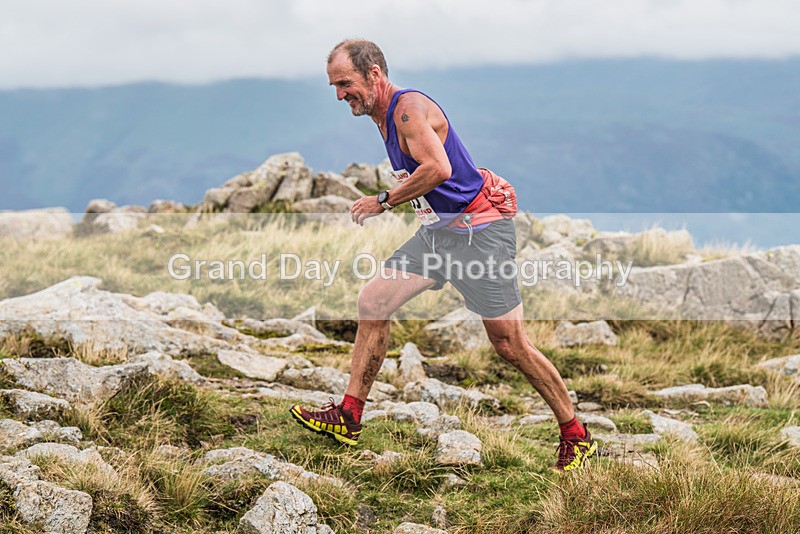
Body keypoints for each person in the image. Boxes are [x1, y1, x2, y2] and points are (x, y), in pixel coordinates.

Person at [290, 39, 596, 472]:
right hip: (438, 236)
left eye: (345, 84)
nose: (340, 95)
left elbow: (439, 169)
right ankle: (349, 415)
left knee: (509, 344)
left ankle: (576, 435)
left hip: (480, 235)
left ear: (374, 74)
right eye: (334, 87)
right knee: (373, 302)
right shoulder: (383, 116)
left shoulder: (407, 110)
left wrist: (384, 200)